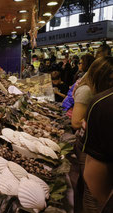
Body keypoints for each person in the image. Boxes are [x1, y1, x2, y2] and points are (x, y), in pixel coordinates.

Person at [72, 56, 113, 213]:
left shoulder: (102, 102)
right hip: (89, 151)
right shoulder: (99, 101)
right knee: (90, 197)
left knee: (89, 194)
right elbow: (76, 122)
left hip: (93, 156)